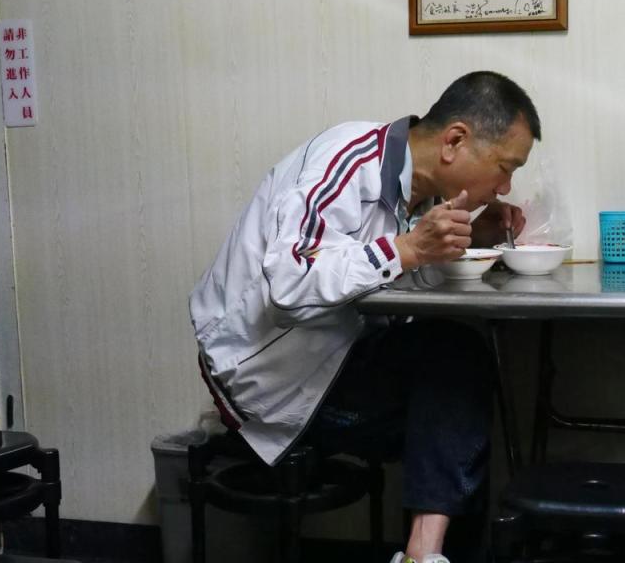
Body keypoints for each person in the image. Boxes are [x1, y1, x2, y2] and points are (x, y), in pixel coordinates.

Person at [190, 71, 541, 563]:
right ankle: (425, 555)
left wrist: (453, 243)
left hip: (334, 352)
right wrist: (407, 247)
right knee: (457, 386)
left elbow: (387, 285)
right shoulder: (349, 159)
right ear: (455, 140)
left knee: (462, 388)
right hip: (262, 379)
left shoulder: (414, 195)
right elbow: (288, 285)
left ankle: (425, 554)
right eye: (505, 167)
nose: (506, 185)